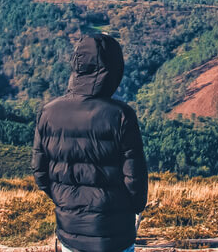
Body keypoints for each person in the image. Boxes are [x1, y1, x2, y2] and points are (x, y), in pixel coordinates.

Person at [32, 34, 148, 252]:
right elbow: (136, 179)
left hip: (69, 232)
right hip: (115, 234)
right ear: (113, 70)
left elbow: (40, 174)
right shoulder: (121, 116)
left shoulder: (48, 113)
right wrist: (131, 209)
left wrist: (66, 202)